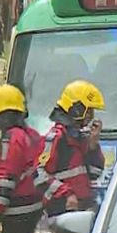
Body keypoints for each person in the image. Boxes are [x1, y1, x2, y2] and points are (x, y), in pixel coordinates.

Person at [0, 84, 46, 233]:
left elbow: (6, 178)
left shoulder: (10, 140)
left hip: (17, 212)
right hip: (34, 208)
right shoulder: (32, 135)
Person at [40, 80, 106, 218]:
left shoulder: (81, 137)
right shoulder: (56, 138)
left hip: (81, 208)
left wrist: (93, 145)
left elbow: (94, 173)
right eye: (89, 111)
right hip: (62, 209)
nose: (91, 117)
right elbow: (38, 175)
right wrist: (67, 194)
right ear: (77, 109)